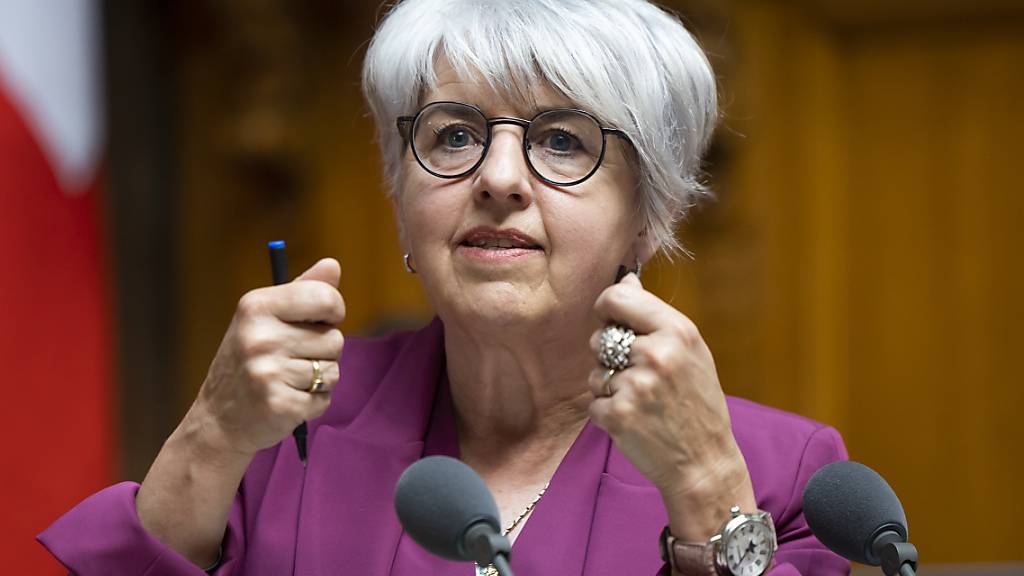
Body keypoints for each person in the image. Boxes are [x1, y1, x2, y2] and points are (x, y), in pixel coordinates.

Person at [39, 0, 850, 574]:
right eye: (455, 134)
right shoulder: (282, 428)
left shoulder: (780, 476)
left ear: (650, 214)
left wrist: (707, 490)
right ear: (401, 198)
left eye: (562, 142)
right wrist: (213, 433)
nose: (498, 178)